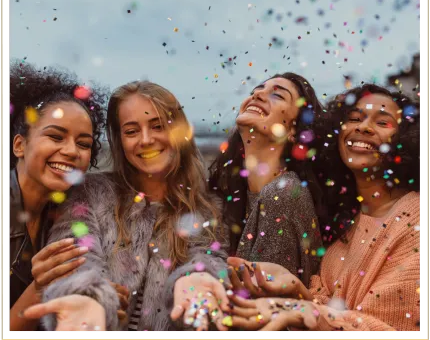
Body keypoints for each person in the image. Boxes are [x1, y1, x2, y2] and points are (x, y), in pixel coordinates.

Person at [226, 84, 421, 332]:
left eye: (383, 123)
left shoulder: (416, 223)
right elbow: (324, 315)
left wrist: (311, 311)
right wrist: (295, 289)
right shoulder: (346, 222)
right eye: (354, 119)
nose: (363, 127)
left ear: (407, 139)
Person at [38, 81, 230, 332]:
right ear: (119, 140)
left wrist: (197, 282)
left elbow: (207, 259)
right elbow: (74, 258)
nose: (146, 140)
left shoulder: (208, 208)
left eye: (158, 126)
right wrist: (89, 298)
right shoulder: (90, 192)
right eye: (131, 131)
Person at [8, 60, 110, 332]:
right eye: (56, 137)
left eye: (84, 143)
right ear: (20, 145)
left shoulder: (76, 212)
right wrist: (41, 287)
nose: (71, 151)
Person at [209, 73, 324, 289]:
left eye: (278, 95)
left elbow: (263, 306)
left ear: (292, 130)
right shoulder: (235, 194)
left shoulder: (283, 194)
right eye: (255, 90)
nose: (258, 94)